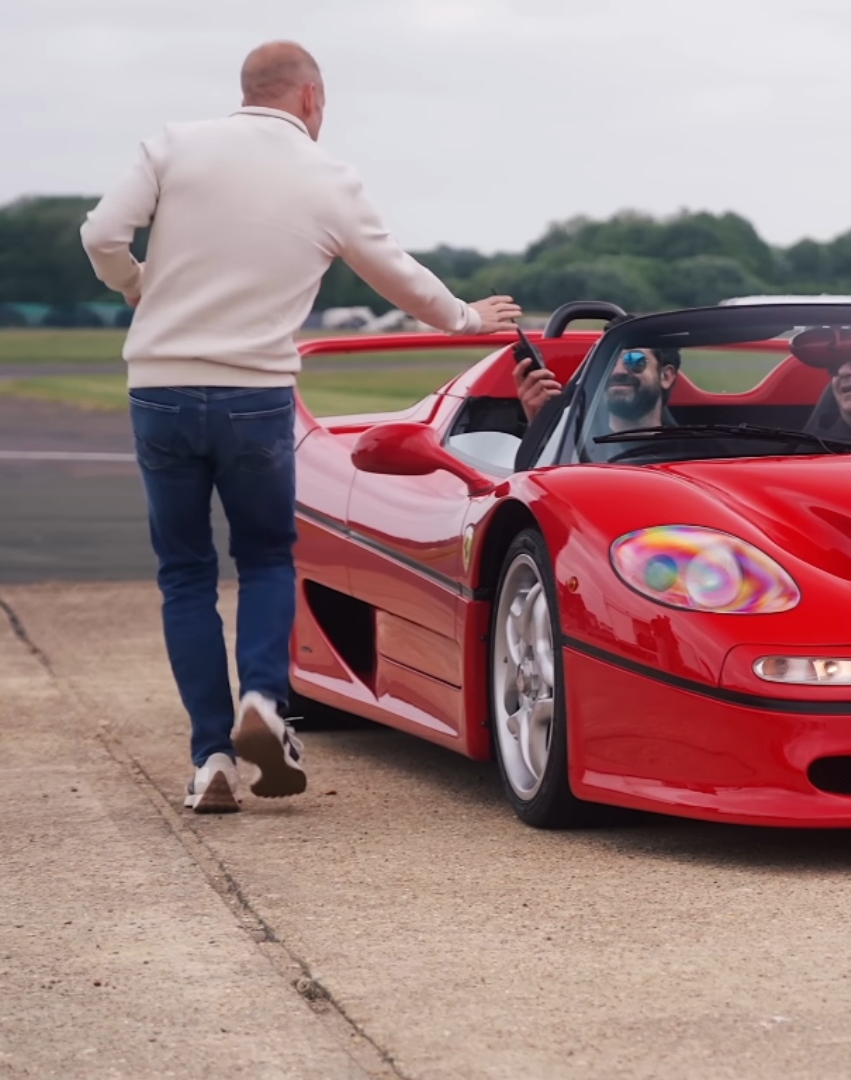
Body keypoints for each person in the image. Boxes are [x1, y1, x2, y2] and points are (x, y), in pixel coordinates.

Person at [79, 41, 521, 814]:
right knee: (266, 560)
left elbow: (100, 235)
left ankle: (211, 755)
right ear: (312, 100)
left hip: (161, 390)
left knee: (184, 574)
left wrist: (139, 288)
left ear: (245, 91)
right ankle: (262, 698)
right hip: (254, 396)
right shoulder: (328, 178)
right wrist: (466, 316)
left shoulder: (173, 145)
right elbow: (399, 277)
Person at [515, 346, 678, 433]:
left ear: (666, 376)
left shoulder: (692, 451)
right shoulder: (572, 447)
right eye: (609, 361)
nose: (617, 371)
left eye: (633, 359)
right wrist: (539, 426)